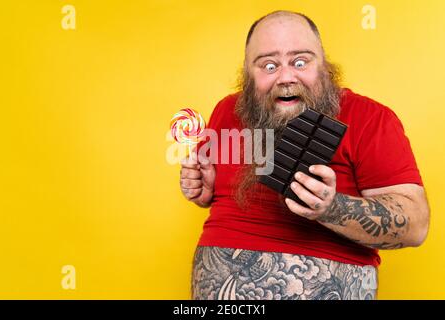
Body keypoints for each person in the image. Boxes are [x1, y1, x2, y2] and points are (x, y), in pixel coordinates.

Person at [180, 10, 430, 300]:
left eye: (300, 61)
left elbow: (415, 226)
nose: (286, 77)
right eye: (268, 66)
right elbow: (211, 195)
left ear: (324, 65)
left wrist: (330, 207)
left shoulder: (371, 119)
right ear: (247, 73)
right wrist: (203, 187)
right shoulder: (228, 109)